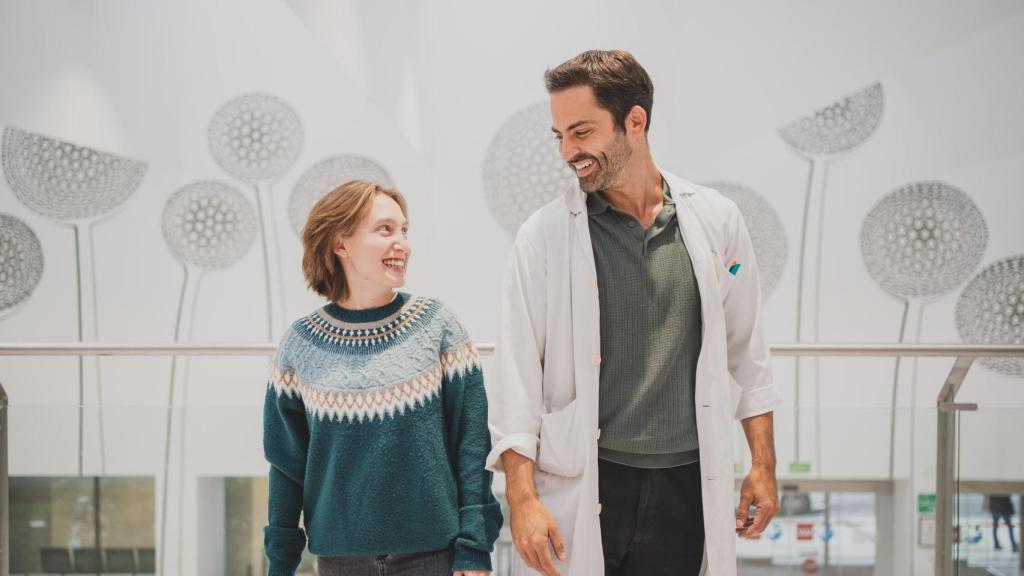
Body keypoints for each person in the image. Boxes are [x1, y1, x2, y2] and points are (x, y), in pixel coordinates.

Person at [486, 50, 782, 576]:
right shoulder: (544, 236)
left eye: (581, 132)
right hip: (590, 478)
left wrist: (763, 463)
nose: (567, 152)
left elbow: (746, 350)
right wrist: (523, 499)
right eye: (559, 136)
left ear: (635, 121)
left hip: (685, 485)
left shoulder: (716, 220)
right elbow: (516, 377)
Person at [263, 180, 502, 576]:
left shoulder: (438, 326)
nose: (402, 243)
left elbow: (472, 446)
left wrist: (475, 547)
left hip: (435, 558)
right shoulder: (298, 345)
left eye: (404, 230)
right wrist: (280, 565)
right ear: (340, 244)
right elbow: (286, 466)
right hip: (339, 562)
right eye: (385, 230)